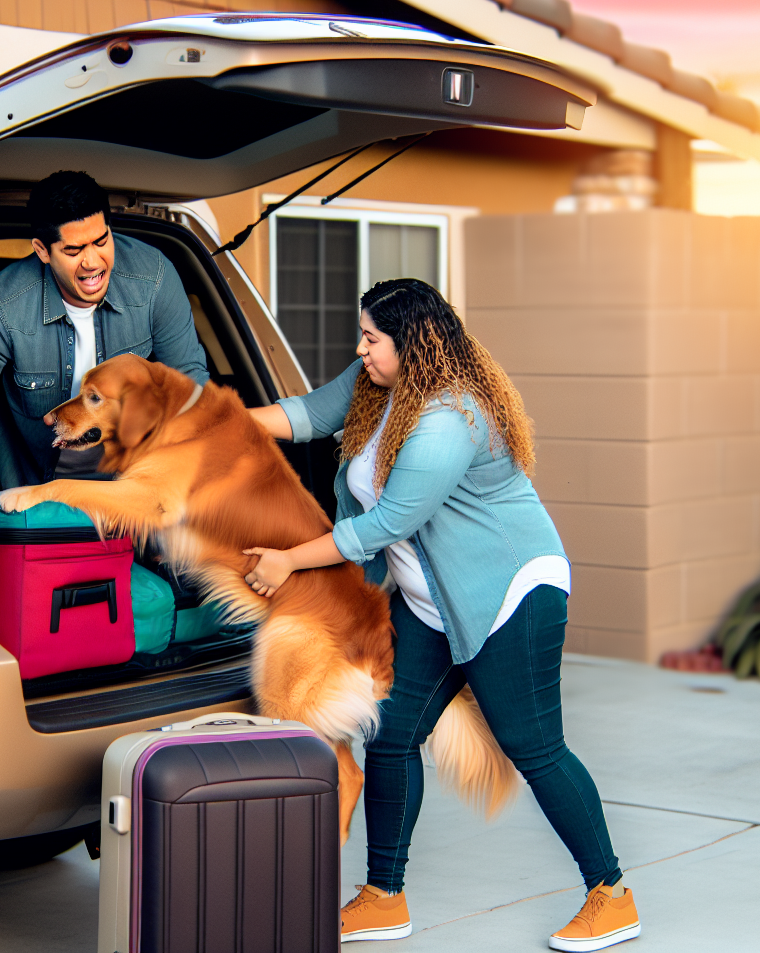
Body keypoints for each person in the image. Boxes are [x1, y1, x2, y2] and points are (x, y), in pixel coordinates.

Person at [241, 279, 639, 952]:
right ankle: (383, 896)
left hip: (509, 592)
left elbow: (389, 522)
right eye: (362, 336)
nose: (360, 349)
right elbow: (307, 414)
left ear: (412, 344)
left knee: (533, 746)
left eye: (371, 339)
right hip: (432, 601)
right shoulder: (378, 381)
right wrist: (210, 420)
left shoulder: (449, 417)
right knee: (391, 735)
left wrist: (287, 559)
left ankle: (612, 894)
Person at [0, 170, 209, 487]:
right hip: (34, 492)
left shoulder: (153, 278)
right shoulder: (0, 307)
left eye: (101, 241)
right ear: (43, 251)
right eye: (74, 250)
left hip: (134, 487)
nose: (93, 262)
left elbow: (189, 386)